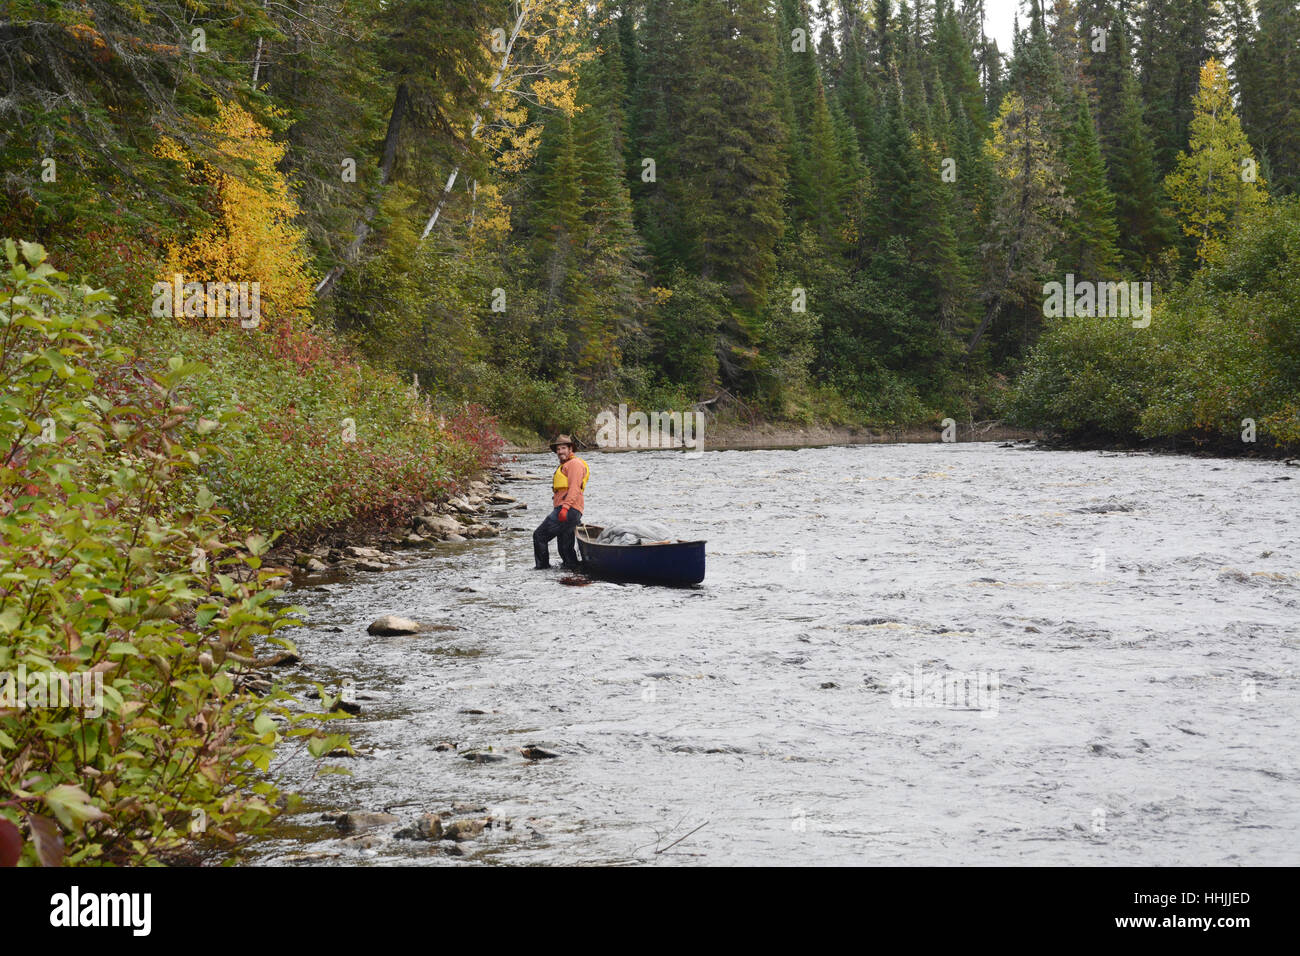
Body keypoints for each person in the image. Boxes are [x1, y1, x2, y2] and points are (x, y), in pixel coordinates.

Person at [534, 434, 589, 571]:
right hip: (571, 510)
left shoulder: (575, 464)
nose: (560, 452)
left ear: (571, 449)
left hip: (568, 509)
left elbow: (575, 487)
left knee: (539, 536)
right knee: (565, 547)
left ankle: (542, 569)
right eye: (558, 449)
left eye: (563, 448)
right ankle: (573, 571)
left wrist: (565, 508)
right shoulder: (566, 465)